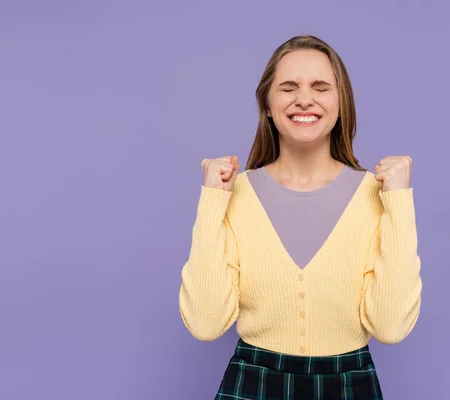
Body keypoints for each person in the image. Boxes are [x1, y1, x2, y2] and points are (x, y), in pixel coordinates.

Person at [178, 35, 422, 400]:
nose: (304, 99)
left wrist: (399, 202)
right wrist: (213, 201)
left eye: (321, 87)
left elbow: (390, 328)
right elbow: (204, 323)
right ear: (268, 105)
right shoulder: (233, 195)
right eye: (288, 87)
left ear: (342, 105)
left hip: (349, 385)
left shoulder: (377, 196)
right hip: (252, 383)